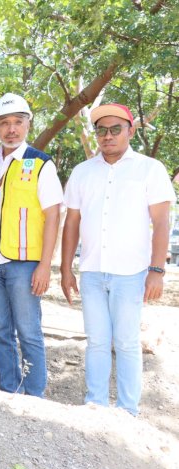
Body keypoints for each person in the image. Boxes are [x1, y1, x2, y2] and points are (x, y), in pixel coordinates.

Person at [61, 103, 175, 416]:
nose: (108, 136)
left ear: (130, 130)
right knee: (96, 341)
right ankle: (95, 406)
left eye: (115, 129)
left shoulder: (149, 169)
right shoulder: (82, 172)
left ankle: (127, 411)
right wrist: (67, 269)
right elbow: (72, 222)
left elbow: (162, 222)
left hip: (132, 273)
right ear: (95, 133)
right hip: (93, 272)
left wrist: (156, 270)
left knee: (125, 342)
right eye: (101, 130)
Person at [0, 93, 63, 398]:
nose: (11, 129)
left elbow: (53, 216)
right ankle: (9, 389)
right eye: (4, 123)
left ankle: (34, 395)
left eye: (17, 122)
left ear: (28, 125)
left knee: (29, 332)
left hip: (24, 265)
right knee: (0, 332)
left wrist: (45, 265)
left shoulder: (39, 164)